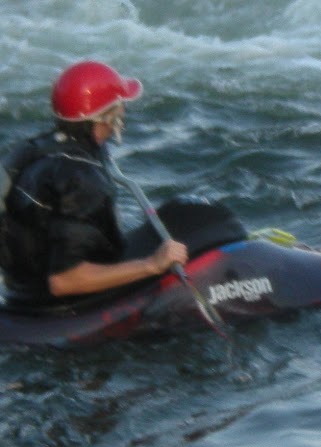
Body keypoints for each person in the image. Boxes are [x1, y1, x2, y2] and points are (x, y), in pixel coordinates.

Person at [0, 61, 188, 308]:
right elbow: (64, 281)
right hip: (60, 304)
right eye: (119, 106)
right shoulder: (83, 181)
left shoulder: (33, 148)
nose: (123, 111)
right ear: (107, 116)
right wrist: (151, 265)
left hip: (20, 288)